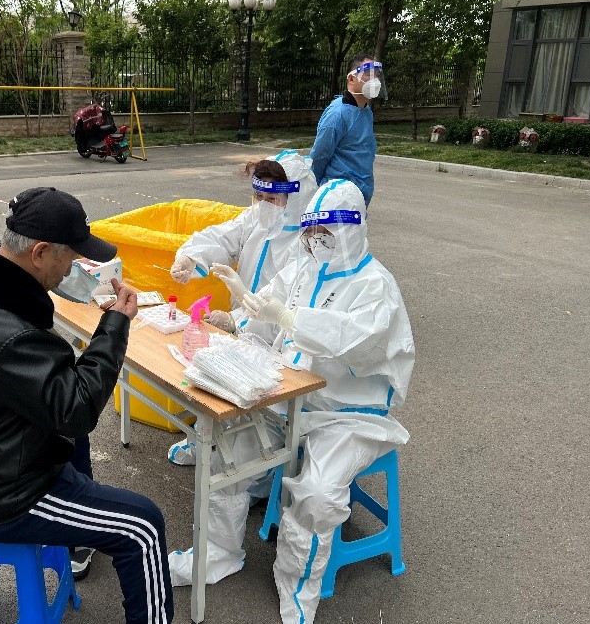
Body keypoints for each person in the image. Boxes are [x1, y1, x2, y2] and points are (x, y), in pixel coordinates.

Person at [169, 180, 414, 624]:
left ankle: (297, 586)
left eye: (325, 233)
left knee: (317, 496)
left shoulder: (376, 286)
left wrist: (286, 317)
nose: (316, 241)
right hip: (288, 399)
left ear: (353, 229)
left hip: (348, 414)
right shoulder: (306, 266)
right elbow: (270, 310)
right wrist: (241, 309)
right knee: (226, 452)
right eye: (311, 232)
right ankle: (218, 554)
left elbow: (354, 342)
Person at [0, 186, 173, 624]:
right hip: (4, 492)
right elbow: (78, 409)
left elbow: (55, 396)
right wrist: (114, 324)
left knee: (74, 438)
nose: (73, 268)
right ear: (40, 252)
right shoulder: (11, 334)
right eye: (71, 257)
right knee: (143, 526)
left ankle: (79, 538)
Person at [165, 151, 317, 465]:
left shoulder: (308, 244)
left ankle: (249, 460)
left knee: (249, 406)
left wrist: (236, 321)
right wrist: (191, 257)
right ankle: (208, 443)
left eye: (271, 198)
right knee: (209, 377)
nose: (262, 205)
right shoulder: (258, 220)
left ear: (297, 198)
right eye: (258, 196)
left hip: (280, 345)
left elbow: (285, 308)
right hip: (244, 330)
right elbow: (222, 236)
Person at [309, 53, 385, 206]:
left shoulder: (365, 111)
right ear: (351, 79)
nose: (374, 81)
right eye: (368, 75)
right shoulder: (337, 114)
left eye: (376, 75)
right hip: (337, 196)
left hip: (360, 194)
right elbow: (319, 156)